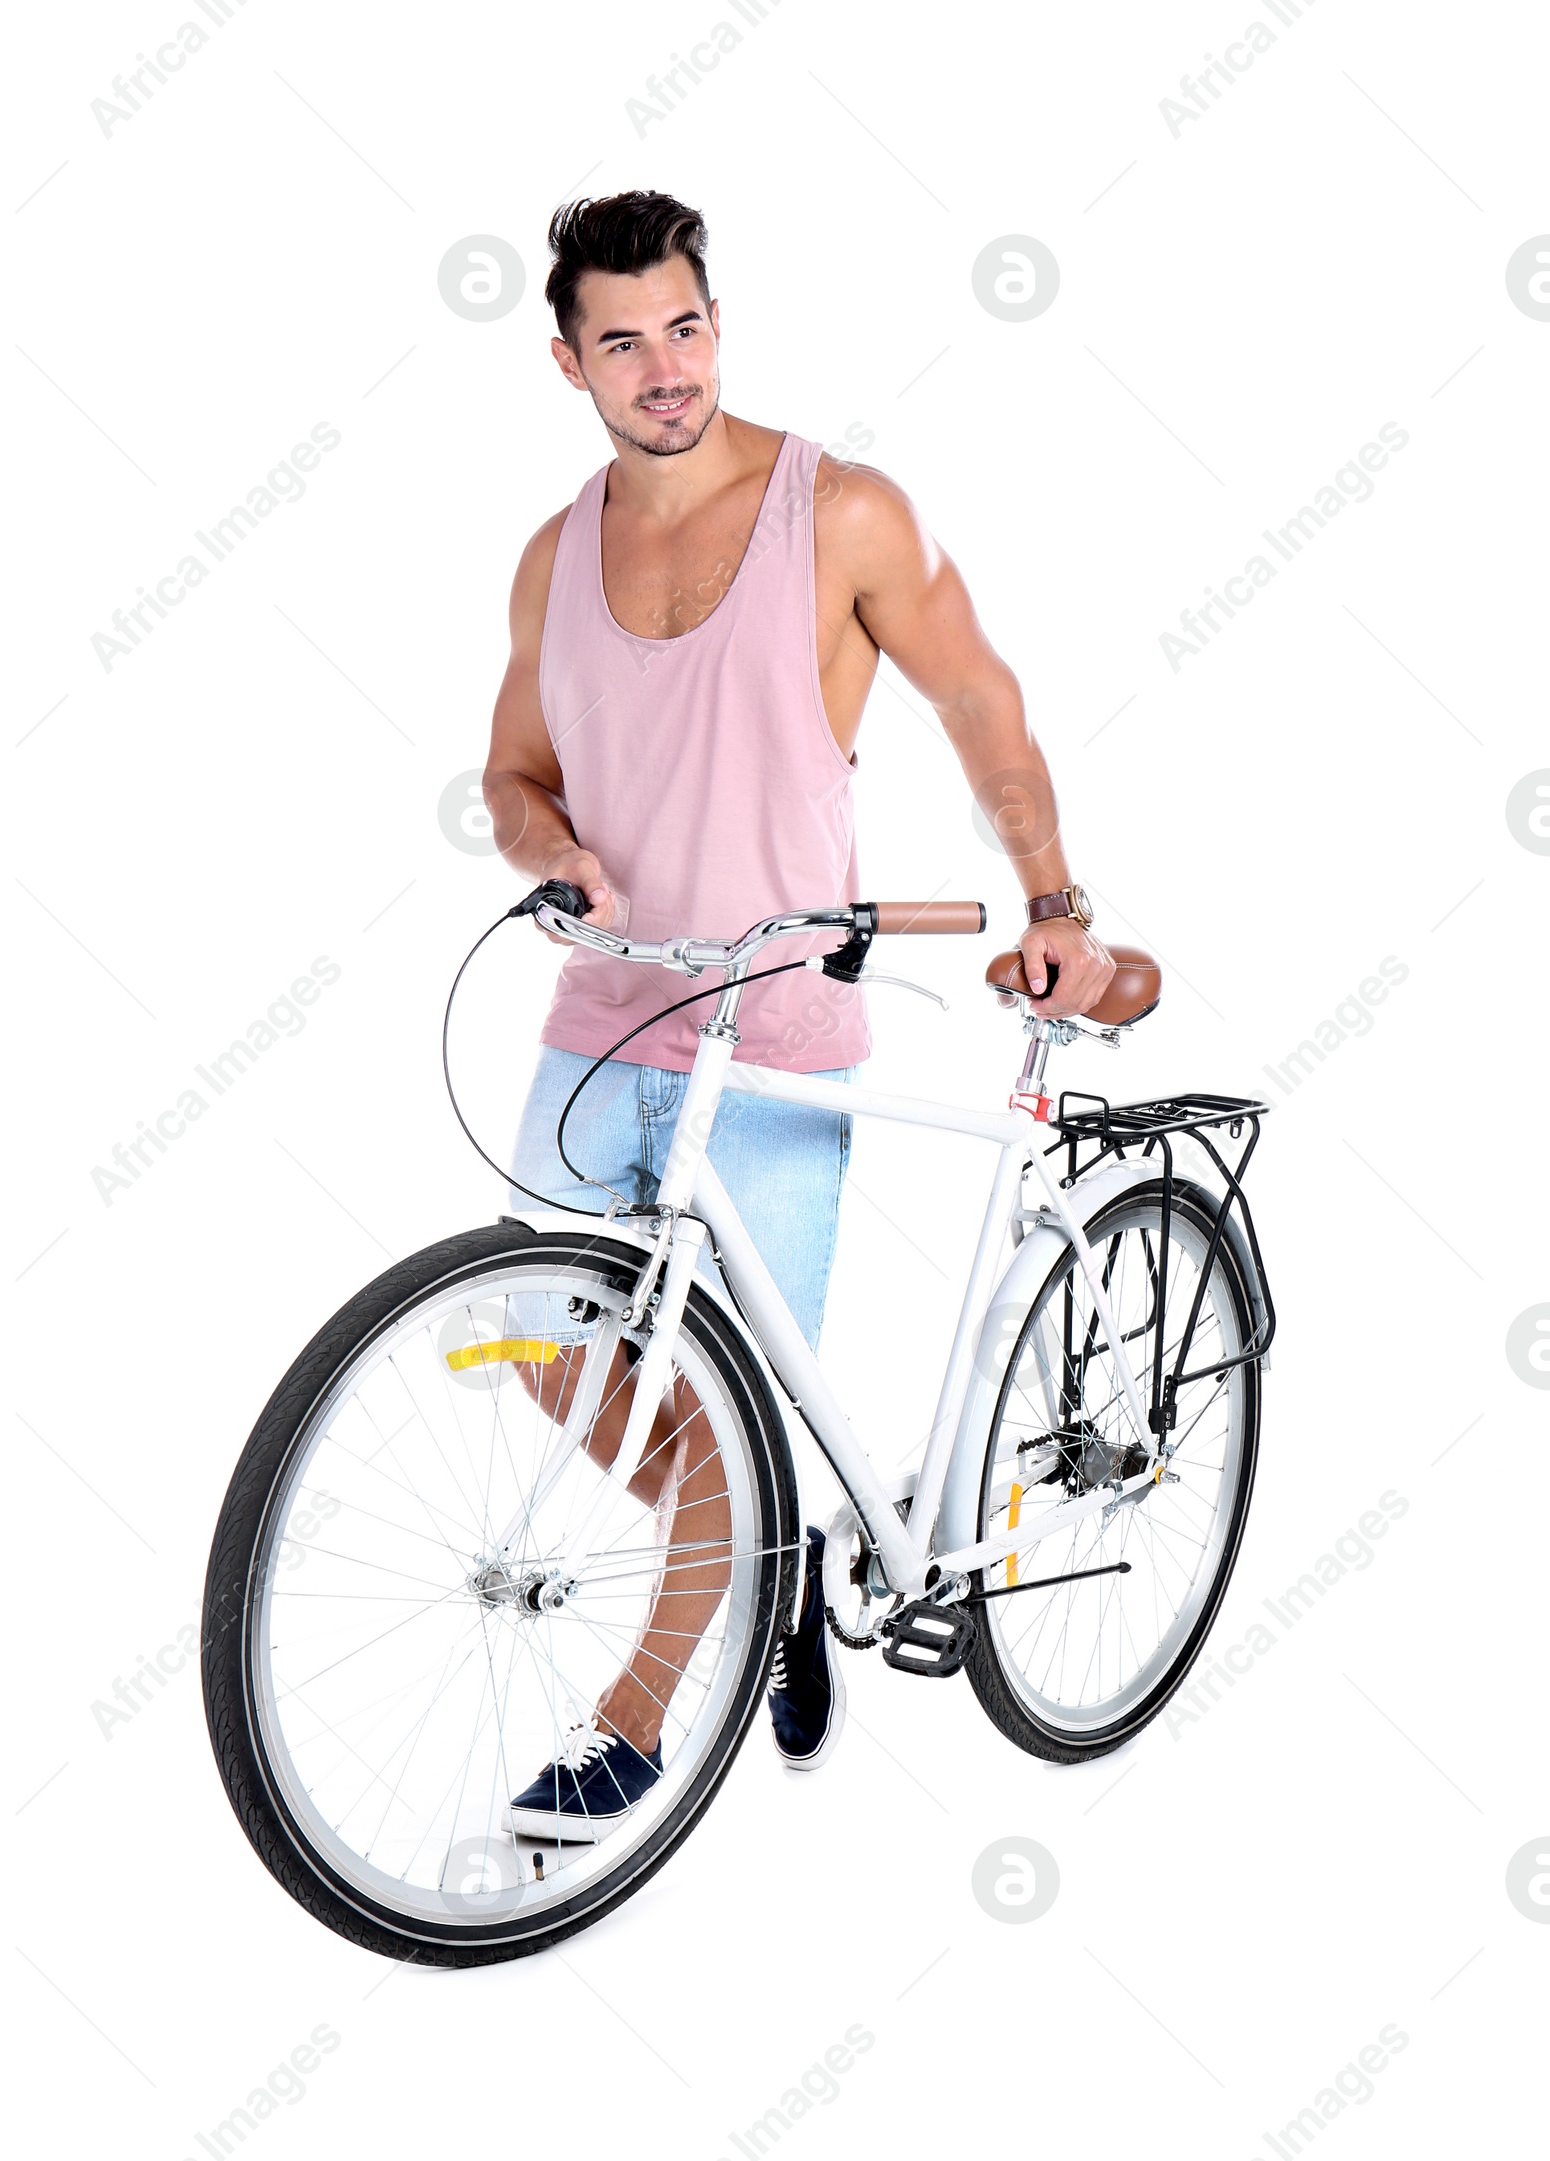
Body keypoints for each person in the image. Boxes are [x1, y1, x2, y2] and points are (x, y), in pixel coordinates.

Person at [482, 190, 1115, 1838]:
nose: (664, 365)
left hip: (769, 1033)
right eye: (622, 340)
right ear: (570, 362)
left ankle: (639, 1717)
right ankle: (766, 1555)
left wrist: (1054, 903)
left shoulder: (839, 514)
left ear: (715, 324)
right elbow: (513, 774)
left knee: (733, 1397)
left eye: (684, 325)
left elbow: (983, 708)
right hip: (599, 1022)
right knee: (568, 1364)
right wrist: (550, 853)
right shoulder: (553, 558)